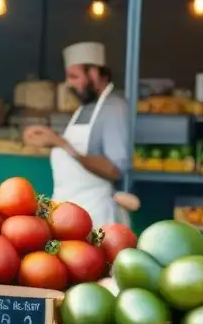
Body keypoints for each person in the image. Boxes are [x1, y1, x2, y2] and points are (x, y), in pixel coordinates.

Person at [24, 42, 131, 227]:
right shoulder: (84, 107)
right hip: (65, 212)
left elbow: (114, 169)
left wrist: (63, 144)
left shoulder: (114, 107)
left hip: (93, 217)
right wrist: (51, 140)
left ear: (94, 74)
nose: (69, 84)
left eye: (74, 77)